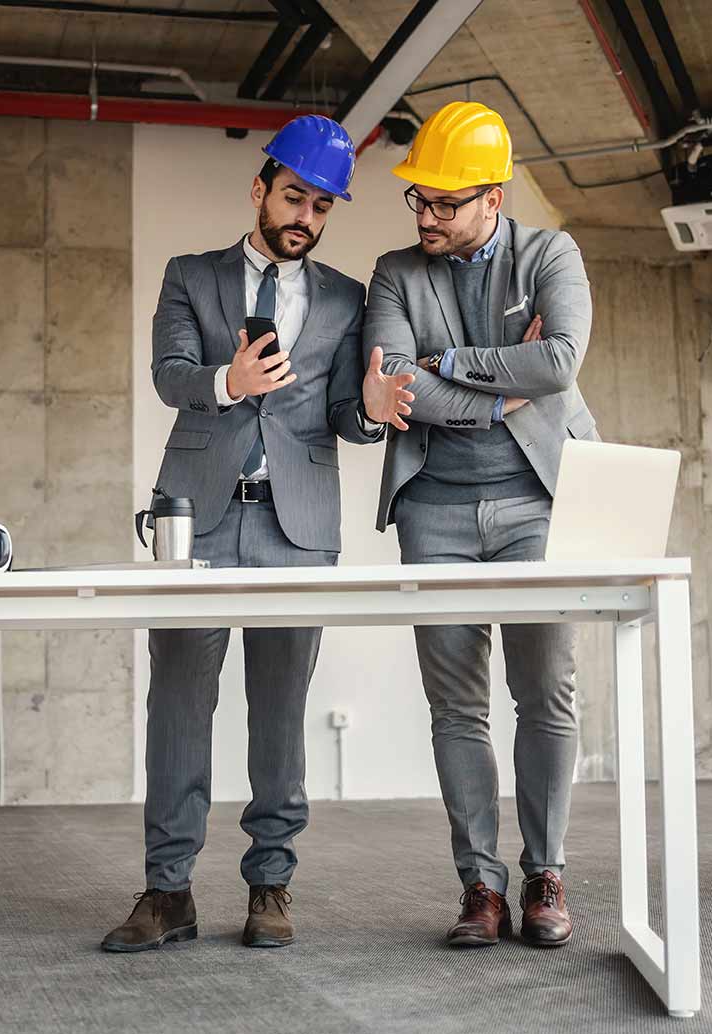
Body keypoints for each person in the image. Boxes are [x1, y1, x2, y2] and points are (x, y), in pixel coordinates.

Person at [102, 115, 415, 953]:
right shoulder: (191, 276)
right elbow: (171, 377)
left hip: (297, 528)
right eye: (292, 197)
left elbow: (347, 416)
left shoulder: (348, 299)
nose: (303, 218)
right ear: (259, 189)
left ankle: (269, 885)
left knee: (278, 715)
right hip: (197, 519)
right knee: (177, 708)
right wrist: (226, 381)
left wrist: (375, 414)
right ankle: (167, 892)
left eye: (319, 206)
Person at [361, 101, 600, 949]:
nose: (425, 216)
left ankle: (544, 873)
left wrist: (452, 366)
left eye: (444, 204)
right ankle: (480, 887)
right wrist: (505, 388)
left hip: (540, 501)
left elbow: (561, 361)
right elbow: (393, 384)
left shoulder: (550, 255)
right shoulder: (394, 272)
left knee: (544, 693)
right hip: (433, 509)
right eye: (418, 200)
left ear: (491, 200)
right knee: (455, 705)